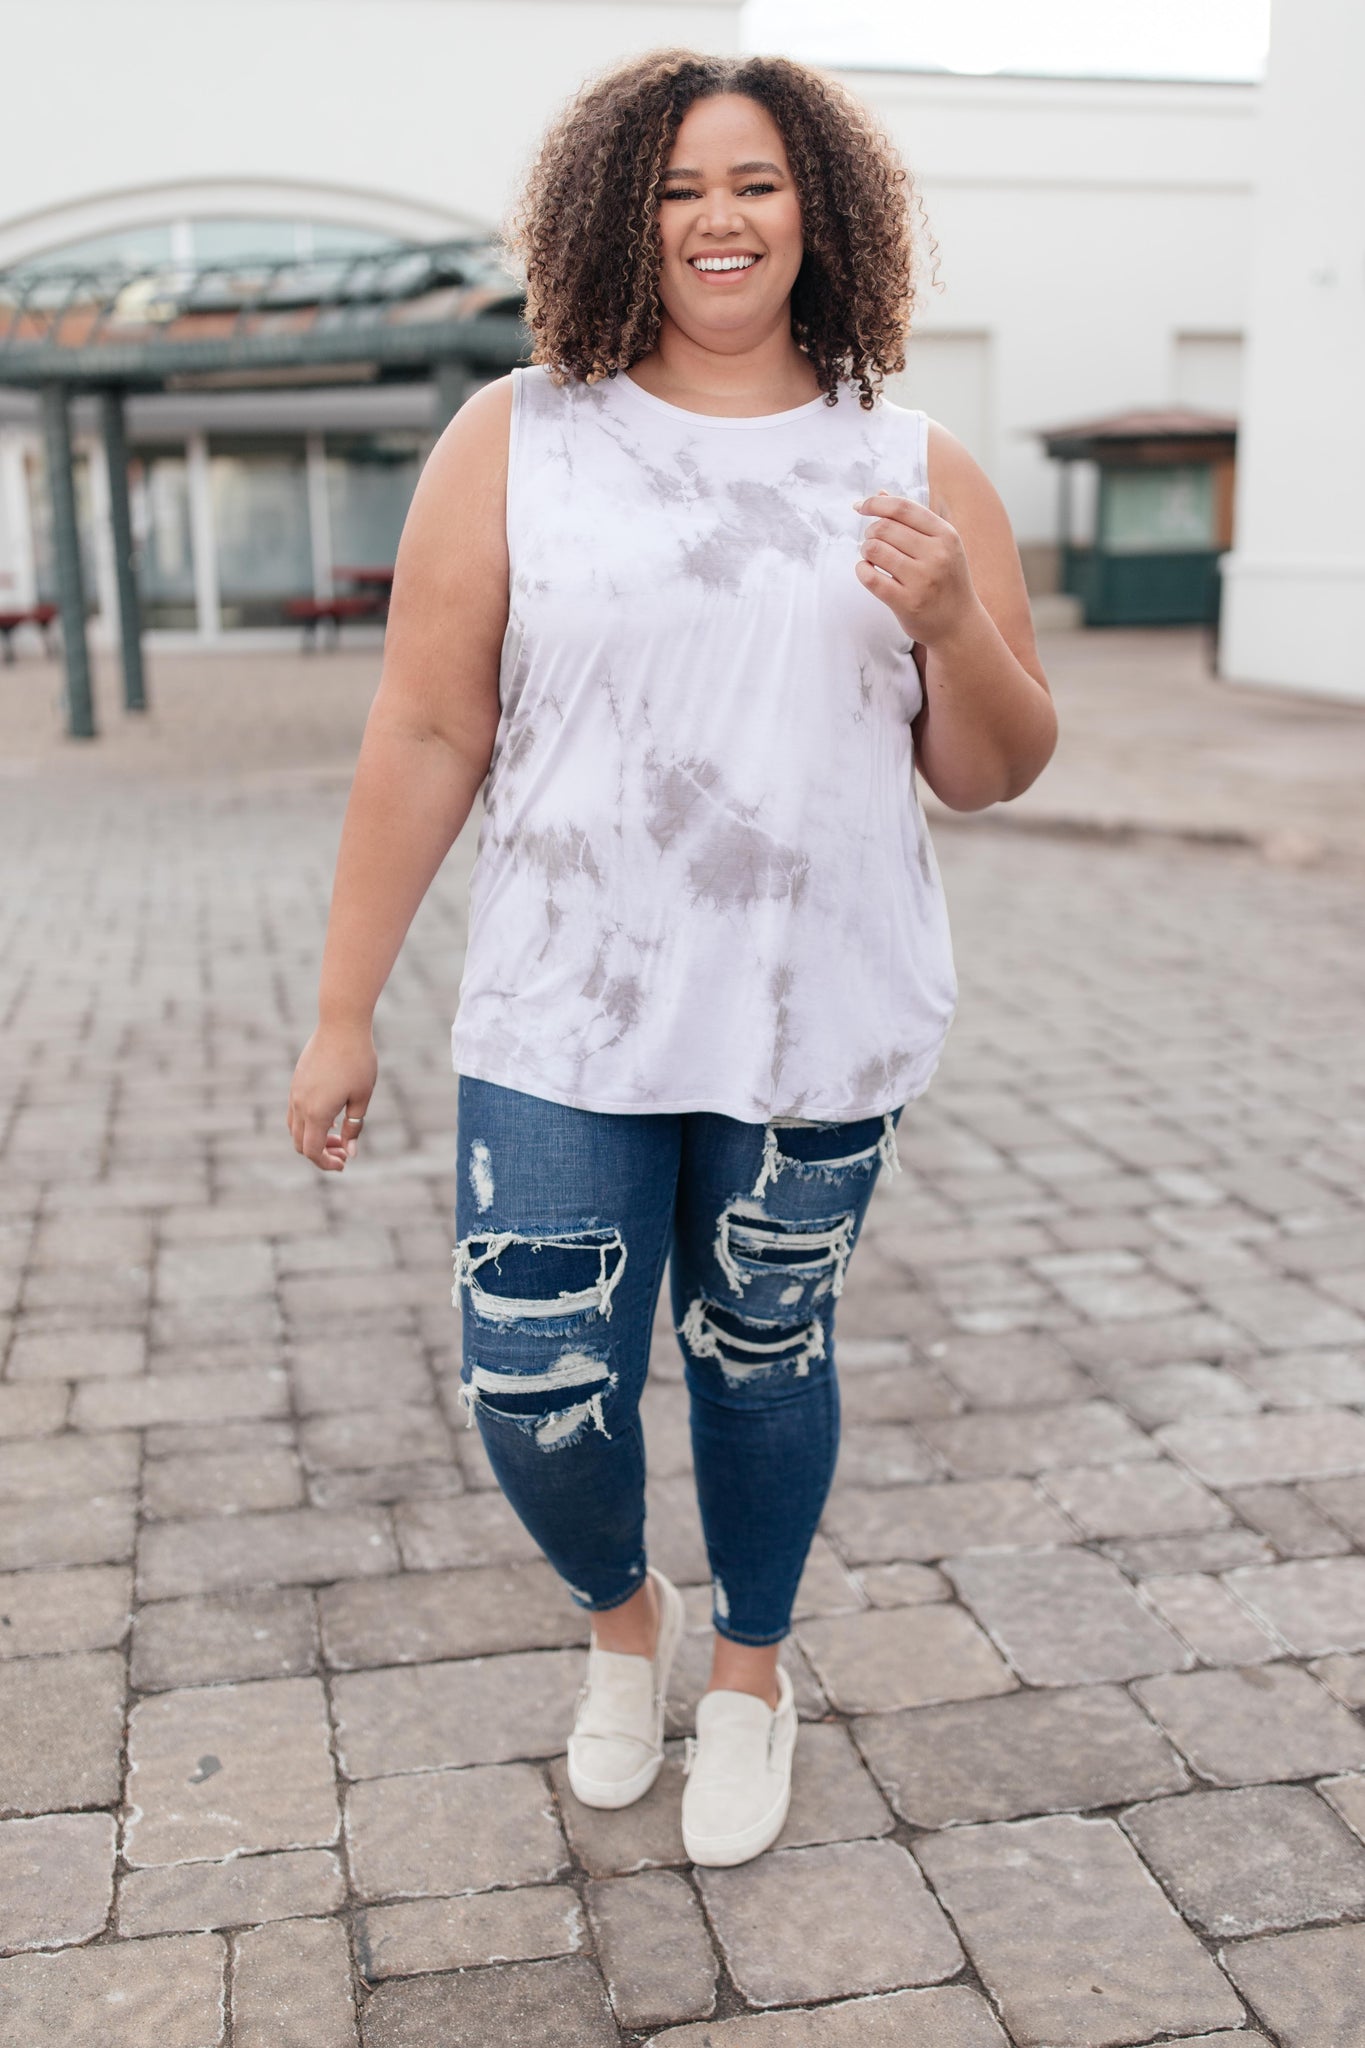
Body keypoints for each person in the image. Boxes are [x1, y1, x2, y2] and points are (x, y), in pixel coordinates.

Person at [287, 47, 1056, 1868]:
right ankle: (622, 1626)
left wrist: (952, 619)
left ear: (824, 214)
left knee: (760, 1353)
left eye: (759, 183)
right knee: (537, 1386)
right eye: (677, 189)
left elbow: (993, 767)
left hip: (820, 1018)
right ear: (617, 216)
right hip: (562, 1014)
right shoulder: (520, 434)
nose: (719, 220)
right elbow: (419, 735)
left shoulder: (910, 459)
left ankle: (749, 1674)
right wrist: (342, 1013)